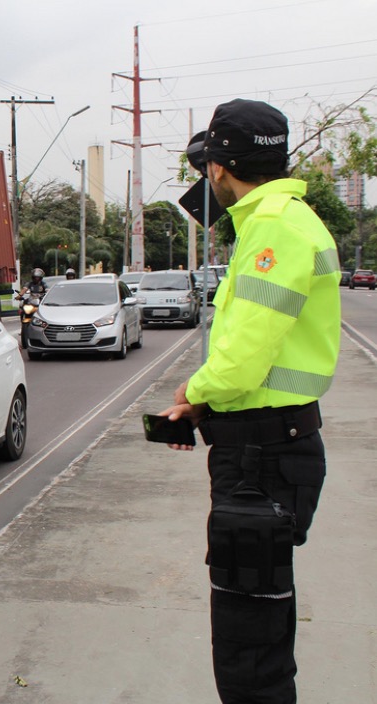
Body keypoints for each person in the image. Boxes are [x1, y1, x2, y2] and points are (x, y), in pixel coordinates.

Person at [161, 99, 340, 703]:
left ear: (216, 168)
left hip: (261, 457)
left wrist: (193, 393)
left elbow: (240, 360)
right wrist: (207, 403)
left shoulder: (271, 228)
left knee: (248, 648)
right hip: (271, 447)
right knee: (259, 627)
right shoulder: (290, 218)